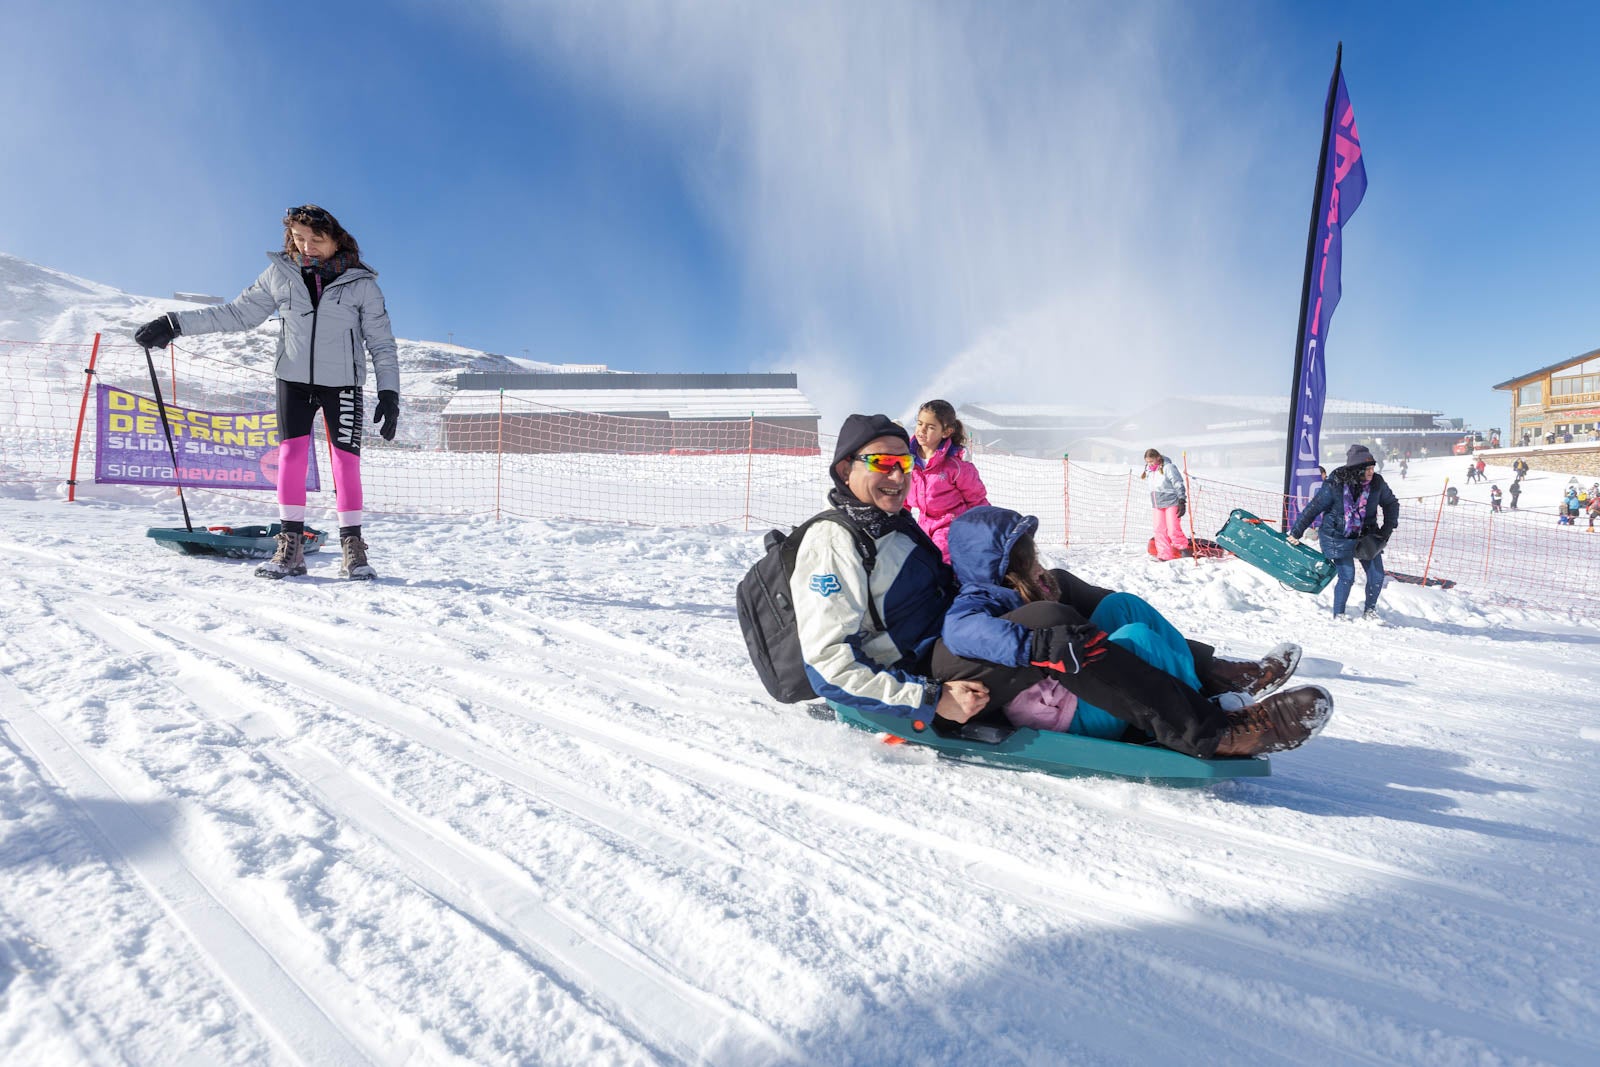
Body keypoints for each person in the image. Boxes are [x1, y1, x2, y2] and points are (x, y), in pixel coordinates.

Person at [134, 205, 399, 581]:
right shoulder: (279, 274)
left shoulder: (362, 284)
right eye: (298, 238)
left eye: (316, 240)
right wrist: (175, 323)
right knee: (290, 456)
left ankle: (352, 548)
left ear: (337, 239)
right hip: (292, 380)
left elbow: (382, 342)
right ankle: (290, 547)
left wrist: (389, 392)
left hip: (342, 383)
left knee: (345, 463)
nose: (306, 247)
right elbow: (236, 314)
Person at [934, 506, 1329, 758]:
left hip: (1069, 686)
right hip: (1060, 711)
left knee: (1123, 607)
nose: (1034, 558)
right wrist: (1032, 642)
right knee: (1137, 639)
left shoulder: (1015, 587)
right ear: (1002, 562)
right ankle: (1207, 712)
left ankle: (1216, 680)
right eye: (1025, 553)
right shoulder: (977, 599)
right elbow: (961, 631)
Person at [790, 414, 988, 724]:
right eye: (882, 463)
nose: (898, 477)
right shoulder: (832, 544)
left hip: (945, 635)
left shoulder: (889, 521)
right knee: (1039, 631)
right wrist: (930, 698)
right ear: (845, 469)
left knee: (1049, 596)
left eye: (905, 464)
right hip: (910, 671)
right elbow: (829, 665)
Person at [1288, 444, 1400, 620]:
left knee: (1377, 575)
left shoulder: (1377, 483)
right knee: (1347, 576)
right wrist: (1296, 531)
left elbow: (1391, 503)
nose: (1371, 472)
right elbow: (1314, 507)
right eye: (1367, 468)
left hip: (1366, 536)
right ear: (1356, 469)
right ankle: (1338, 613)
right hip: (1337, 535)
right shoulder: (1336, 483)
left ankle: (1370, 610)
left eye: (1372, 467)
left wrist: (1386, 530)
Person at [906, 399, 989, 563]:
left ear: (946, 432)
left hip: (952, 525)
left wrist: (987, 529)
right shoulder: (908, 461)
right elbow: (902, 499)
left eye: (930, 427)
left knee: (941, 558)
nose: (922, 430)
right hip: (923, 526)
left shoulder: (955, 466)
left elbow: (977, 499)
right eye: (920, 423)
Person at [1142, 448, 1188, 561]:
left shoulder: (1169, 467)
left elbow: (1178, 482)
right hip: (1157, 503)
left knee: (1172, 529)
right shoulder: (1149, 470)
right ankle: (1164, 555)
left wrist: (1182, 500)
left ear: (1158, 458)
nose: (1150, 464)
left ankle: (1183, 548)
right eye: (1147, 462)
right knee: (1159, 529)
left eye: (1151, 461)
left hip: (1172, 501)